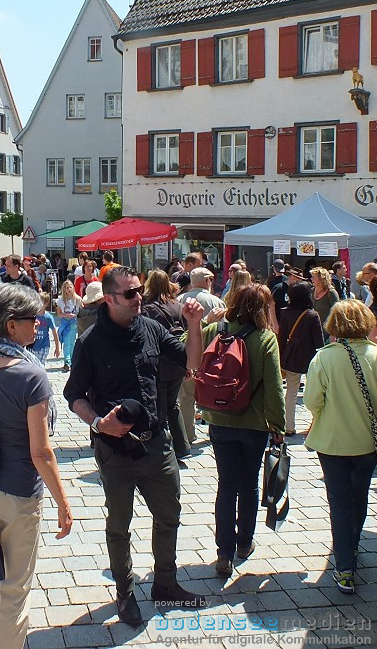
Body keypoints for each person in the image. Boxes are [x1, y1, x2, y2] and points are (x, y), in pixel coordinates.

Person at [64, 267, 206, 626]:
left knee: (169, 515)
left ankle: (166, 583)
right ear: (109, 299)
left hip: (157, 444)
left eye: (139, 290)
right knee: (119, 525)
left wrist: (194, 324)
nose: (138, 297)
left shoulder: (153, 329)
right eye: (129, 294)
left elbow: (192, 362)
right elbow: (73, 395)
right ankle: (125, 593)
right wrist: (99, 423)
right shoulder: (91, 340)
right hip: (116, 451)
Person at [0, 283, 72, 649]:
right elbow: (41, 452)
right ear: (9, 325)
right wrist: (64, 504)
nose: (37, 324)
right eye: (30, 319)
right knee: (15, 587)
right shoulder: (29, 376)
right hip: (19, 491)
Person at [304, 299, 377, 595]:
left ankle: (344, 564)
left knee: (338, 499)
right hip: (368, 442)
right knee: (359, 494)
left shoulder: (323, 358)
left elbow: (312, 402)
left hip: (331, 442)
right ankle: (352, 543)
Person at [202, 283, 284, 578]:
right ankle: (244, 543)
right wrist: (278, 426)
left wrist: (203, 321)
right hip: (253, 424)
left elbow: (186, 344)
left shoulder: (216, 332)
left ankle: (223, 553)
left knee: (226, 485)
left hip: (220, 419)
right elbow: (275, 387)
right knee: (248, 485)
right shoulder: (265, 339)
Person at [141, 270, 192, 462]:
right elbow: (187, 337)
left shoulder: (147, 309)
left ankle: (162, 447)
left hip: (158, 364)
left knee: (159, 406)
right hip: (178, 363)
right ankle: (182, 447)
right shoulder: (178, 306)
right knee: (173, 405)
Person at [278, 282, 324, 436]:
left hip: (291, 357)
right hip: (310, 359)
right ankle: (315, 426)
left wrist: (281, 358)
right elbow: (319, 342)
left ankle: (288, 426)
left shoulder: (285, 312)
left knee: (290, 392)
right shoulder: (312, 315)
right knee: (314, 393)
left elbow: (282, 337)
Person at [29, 293, 61, 365]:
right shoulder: (32, 315)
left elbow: (54, 333)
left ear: (46, 303)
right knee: (32, 366)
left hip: (44, 346)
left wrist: (57, 348)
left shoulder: (48, 317)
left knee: (40, 366)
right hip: (32, 345)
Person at [55, 281, 80, 373]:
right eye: (67, 288)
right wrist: (66, 315)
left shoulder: (77, 299)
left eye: (70, 287)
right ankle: (67, 361)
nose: (69, 290)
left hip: (73, 323)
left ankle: (70, 361)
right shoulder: (61, 301)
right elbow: (59, 314)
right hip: (65, 322)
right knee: (66, 342)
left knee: (71, 342)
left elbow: (80, 311)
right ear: (64, 289)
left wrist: (74, 315)